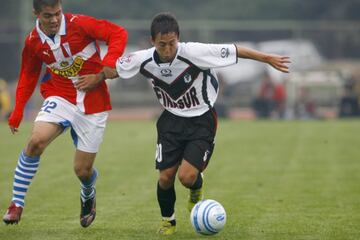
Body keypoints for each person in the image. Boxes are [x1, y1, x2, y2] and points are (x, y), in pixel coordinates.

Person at [80, 12, 290, 235]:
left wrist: (267, 58)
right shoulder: (143, 59)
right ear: (153, 42)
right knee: (165, 177)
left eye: (172, 43)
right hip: (170, 120)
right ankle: (167, 222)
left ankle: (196, 189)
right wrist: (98, 77)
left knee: (187, 177)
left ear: (178, 38)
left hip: (202, 120)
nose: (168, 49)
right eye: (162, 45)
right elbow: (116, 69)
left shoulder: (194, 52)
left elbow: (235, 50)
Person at [3, 0, 127, 227]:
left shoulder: (79, 24)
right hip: (59, 95)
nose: (54, 20)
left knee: (82, 170)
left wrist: (105, 68)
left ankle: (88, 191)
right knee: (35, 142)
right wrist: (18, 109)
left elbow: (117, 33)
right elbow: (29, 74)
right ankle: (16, 203)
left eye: (57, 13)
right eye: (48, 16)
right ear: (36, 14)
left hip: (93, 101)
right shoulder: (32, 40)